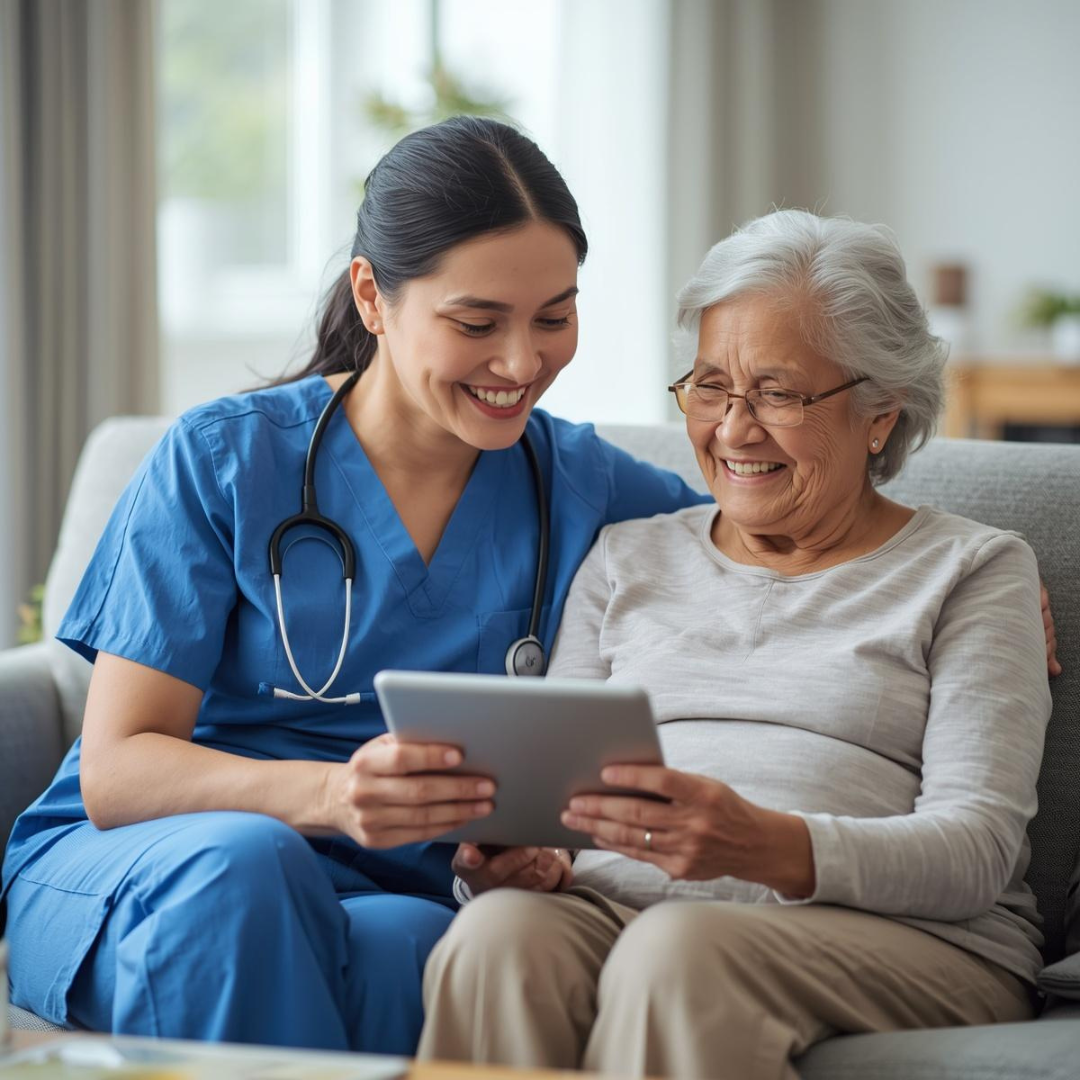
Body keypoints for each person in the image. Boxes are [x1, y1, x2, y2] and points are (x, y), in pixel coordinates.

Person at [0, 117, 710, 1053]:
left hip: (392, 884)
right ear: (372, 296)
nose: (521, 363)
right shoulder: (225, 461)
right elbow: (118, 771)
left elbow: (768, 550)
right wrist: (334, 796)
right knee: (245, 871)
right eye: (476, 322)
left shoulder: (588, 486)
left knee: (413, 947)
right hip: (151, 861)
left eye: (554, 315)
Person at [418, 210, 1057, 1079]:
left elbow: (976, 851)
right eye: (711, 387)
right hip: (628, 905)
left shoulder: (973, 570)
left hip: (908, 938)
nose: (733, 429)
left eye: (780, 393)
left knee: (680, 952)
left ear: (880, 412)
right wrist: (525, 858)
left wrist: (766, 845)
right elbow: (555, 810)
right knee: (496, 935)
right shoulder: (628, 555)